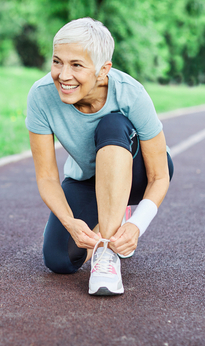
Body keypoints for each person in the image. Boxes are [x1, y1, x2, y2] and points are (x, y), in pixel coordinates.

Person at [25, 18, 174, 296]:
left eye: (77, 65)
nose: (63, 75)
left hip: (138, 173)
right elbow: (46, 176)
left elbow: (160, 175)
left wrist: (136, 225)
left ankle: (108, 255)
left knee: (113, 124)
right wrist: (71, 223)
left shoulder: (131, 93)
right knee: (59, 260)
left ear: (103, 70)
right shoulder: (41, 96)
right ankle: (112, 219)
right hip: (87, 178)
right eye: (57, 62)